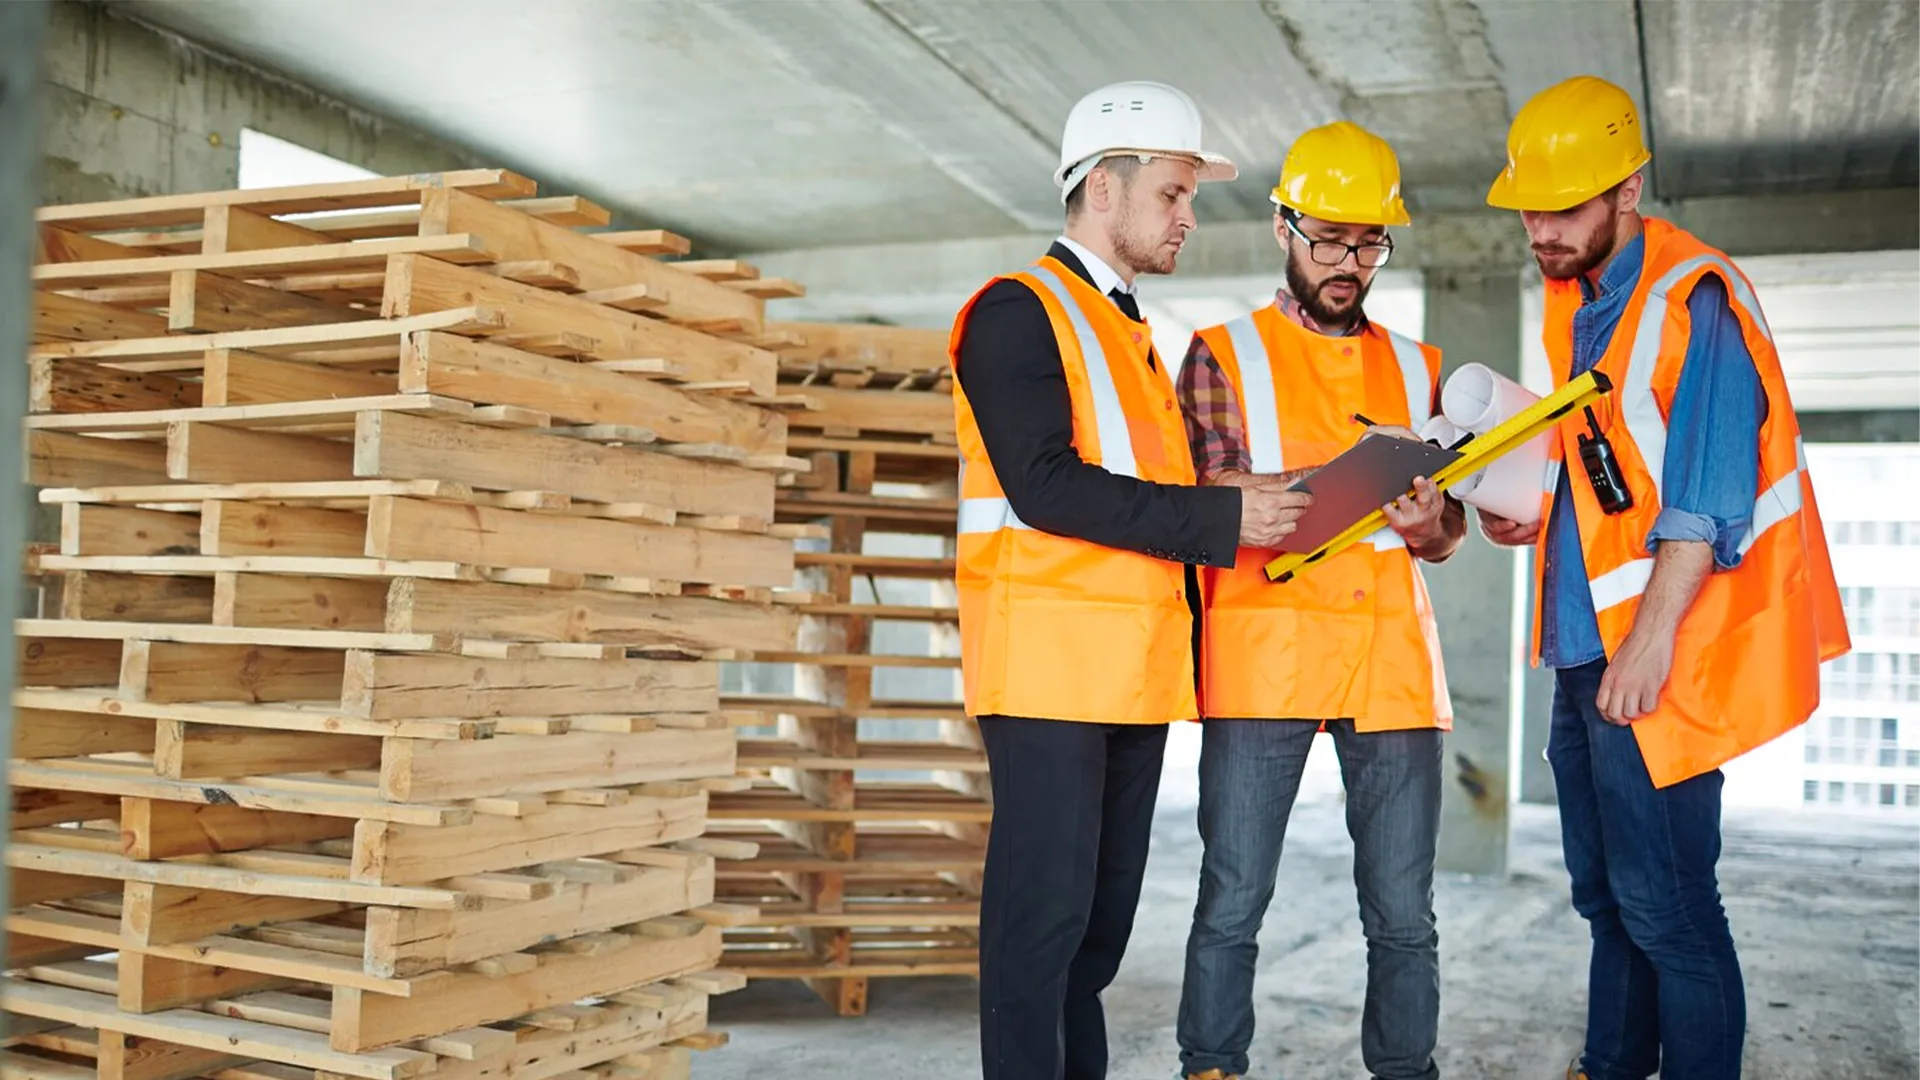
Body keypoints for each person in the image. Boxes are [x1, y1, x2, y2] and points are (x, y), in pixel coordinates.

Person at [1478, 75, 1850, 1080]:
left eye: (1561, 209)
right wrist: (1533, 513)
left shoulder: (1695, 294)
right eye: (1528, 211)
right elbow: (1608, 478)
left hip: (1654, 657)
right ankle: (1610, 1066)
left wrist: (1644, 646)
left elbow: (1704, 497)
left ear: (1628, 189)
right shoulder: (1579, 305)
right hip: (1578, 654)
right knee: (1605, 900)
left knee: (1672, 909)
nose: (1540, 232)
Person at [949, 80, 1314, 1080]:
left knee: (1095, 943)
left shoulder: (1130, 336)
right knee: (1041, 939)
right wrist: (1219, 515)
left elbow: (1142, 493)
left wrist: (1231, 497)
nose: (1189, 218)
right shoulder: (1018, 311)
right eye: (1173, 193)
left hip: (1131, 676)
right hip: (1049, 675)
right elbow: (1045, 486)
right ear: (1102, 191)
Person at [1172, 120, 1461, 1080]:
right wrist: (1336, 479)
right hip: (1265, 651)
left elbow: (1447, 533)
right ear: (1282, 228)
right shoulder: (1219, 353)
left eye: (1370, 242)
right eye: (1329, 240)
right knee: (1233, 895)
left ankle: (1406, 1068)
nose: (1349, 262)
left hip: (1388, 660)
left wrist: (1430, 524)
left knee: (1404, 913)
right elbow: (1213, 496)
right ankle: (1211, 1063)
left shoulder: (1424, 372)